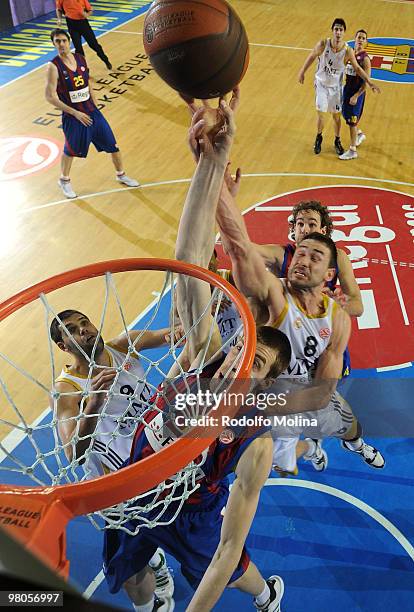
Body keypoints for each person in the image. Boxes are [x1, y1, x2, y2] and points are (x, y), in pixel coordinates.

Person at [103, 96, 291, 612]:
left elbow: (230, 548)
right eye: (245, 352)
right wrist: (211, 161)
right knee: (127, 570)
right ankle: (150, 605)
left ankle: (268, 595)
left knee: (231, 568)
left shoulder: (257, 441)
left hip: (192, 509)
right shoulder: (208, 352)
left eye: (257, 364)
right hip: (140, 476)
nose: (241, 361)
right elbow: (189, 259)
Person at [215, 172, 385, 473]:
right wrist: (220, 190)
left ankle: (354, 445)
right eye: (300, 252)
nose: (303, 258)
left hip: (306, 385)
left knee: (349, 424)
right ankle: (309, 449)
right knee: (274, 465)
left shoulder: (337, 309)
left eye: (314, 256)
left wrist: (345, 304)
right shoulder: (274, 290)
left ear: (328, 272)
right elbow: (241, 248)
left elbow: (320, 394)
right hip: (265, 392)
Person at [51, 310, 179, 604]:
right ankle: (151, 601)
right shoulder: (67, 389)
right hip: (118, 486)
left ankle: (156, 558)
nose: (84, 329)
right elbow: (73, 453)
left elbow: (179, 333)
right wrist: (94, 403)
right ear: (63, 347)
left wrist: (202, 308)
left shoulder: (124, 346)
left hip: (156, 458)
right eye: (72, 330)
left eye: (85, 321)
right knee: (130, 573)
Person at [46, 29, 139, 199]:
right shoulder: (53, 66)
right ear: (54, 44)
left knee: (113, 145)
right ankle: (64, 181)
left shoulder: (81, 59)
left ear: (69, 41)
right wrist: (75, 113)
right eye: (57, 41)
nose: (61, 44)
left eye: (63, 40)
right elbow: (49, 97)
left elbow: (88, 83)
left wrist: (95, 107)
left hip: (92, 112)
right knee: (71, 150)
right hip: (73, 117)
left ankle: (121, 175)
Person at [298, 18, 379, 155]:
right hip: (321, 85)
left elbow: (358, 69)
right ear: (332, 31)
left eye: (341, 30)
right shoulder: (324, 44)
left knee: (336, 116)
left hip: (336, 87)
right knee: (321, 113)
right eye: (336, 29)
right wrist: (302, 71)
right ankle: (319, 138)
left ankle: (337, 140)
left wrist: (370, 82)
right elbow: (312, 56)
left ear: (344, 33)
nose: (338, 32)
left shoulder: (347, 51)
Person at [339, 29, 371, 160]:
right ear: (355, 39)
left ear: (366, 42)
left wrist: (357, 95)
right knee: (344, 114)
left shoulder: (365, 59)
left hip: (356, 93)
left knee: (351, 121)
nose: (360, 40)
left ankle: (352, 150)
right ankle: (359, 134)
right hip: (347, 90)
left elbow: (367, 81)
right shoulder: (349, 53)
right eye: (359, 37)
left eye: (363, 38)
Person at [56, 0, 112, 69]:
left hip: (83, 24)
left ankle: (105, 60)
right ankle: (84, 69)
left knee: (94, 45)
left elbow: (90, 10)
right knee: (78, 49)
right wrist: (59, 19)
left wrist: (86, 15)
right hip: (71, 25)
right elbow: (59, 9)